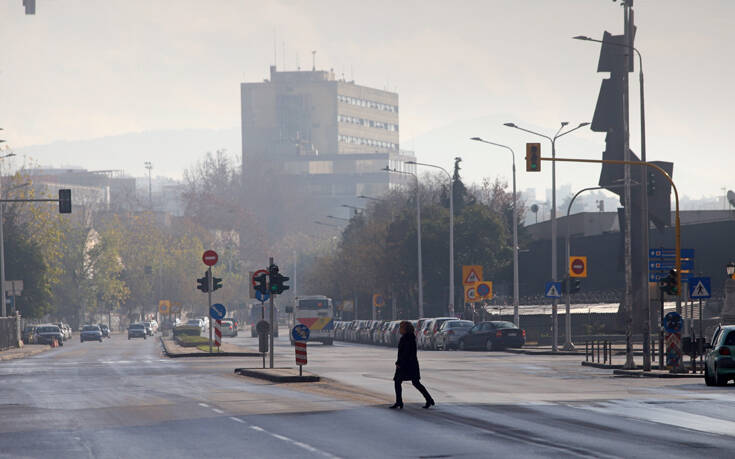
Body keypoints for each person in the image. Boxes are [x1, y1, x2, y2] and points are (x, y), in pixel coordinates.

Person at [390, 320, 435, 410]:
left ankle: (399, 402)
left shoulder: (407, 338)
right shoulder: (409, 337)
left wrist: (399, 363)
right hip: (411, 364)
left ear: (405, 329)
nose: (399, 329)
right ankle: (429, 399)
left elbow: (405, 353)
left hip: (406, 365)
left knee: (399, 381)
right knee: (414, 382)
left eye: (401, 327)